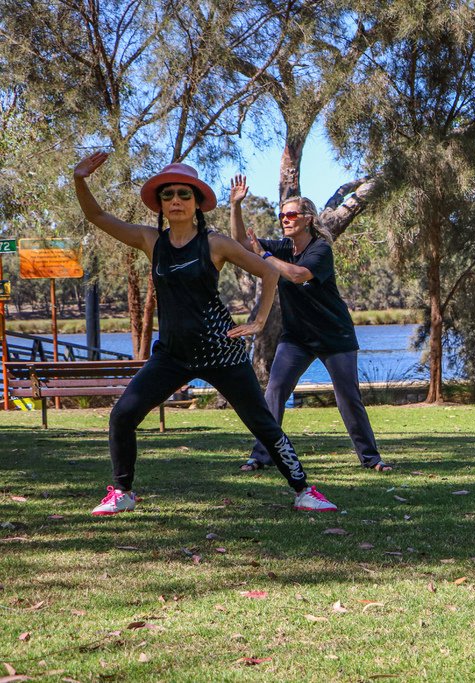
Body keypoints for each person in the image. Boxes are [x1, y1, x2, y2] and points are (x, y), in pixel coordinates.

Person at [73, 153, 338, 515]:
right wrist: (80, 180)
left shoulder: (215, 244)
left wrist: (259, 321)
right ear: (162, 204)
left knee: (262, 423)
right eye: (169, 196)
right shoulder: (151, 241)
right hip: (171, 355)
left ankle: (305, 490)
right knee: (122, 415)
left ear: (197, 202)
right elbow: (97, 217)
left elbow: (270, 273)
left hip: (221, 352)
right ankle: (122, 492)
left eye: (184, 194)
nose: (176, 201)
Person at [228, 176, 391, 473]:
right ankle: (260, 456)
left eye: (291, 215)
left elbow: (298, 274)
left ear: (307, 219)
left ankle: (372, 459)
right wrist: (236, 207)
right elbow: (240, 244)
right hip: (296, 338)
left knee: (348, 399)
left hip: (334, 336)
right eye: (282, 216)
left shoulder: (320, 250)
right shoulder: (281, 247)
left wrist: (264, 255)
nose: (285, 220)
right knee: (274, 391)